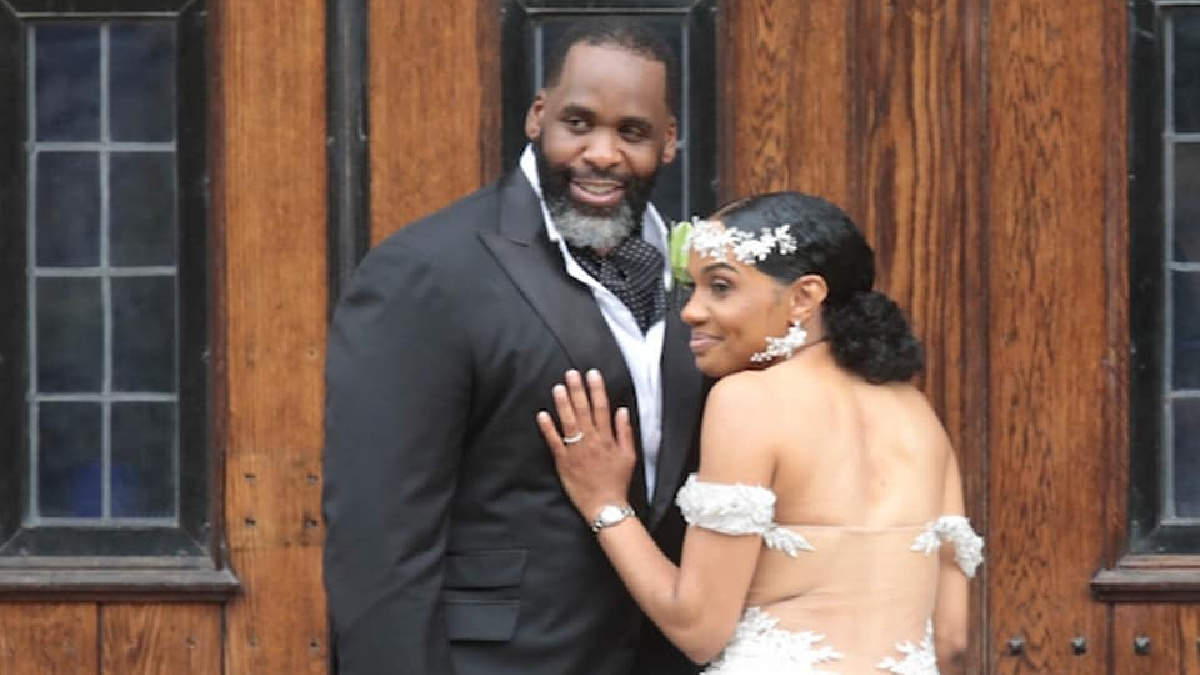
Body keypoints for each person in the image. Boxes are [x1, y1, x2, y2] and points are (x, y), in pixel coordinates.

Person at [322, 17, 707, 675]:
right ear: (537, 116)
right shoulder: (427, 271)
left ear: (669, 140)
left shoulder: (705, 277)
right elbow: (379, 540)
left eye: (632, 131)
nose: (602, 153)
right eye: (578, 123)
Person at [538, 192, 983, 674]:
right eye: (692, 288)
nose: (690, 311)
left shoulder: (748, 401)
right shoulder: (918, 415)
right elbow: (952, 641)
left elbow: (698, 628)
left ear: (804, 298)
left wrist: (605, 503)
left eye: (720, 287)